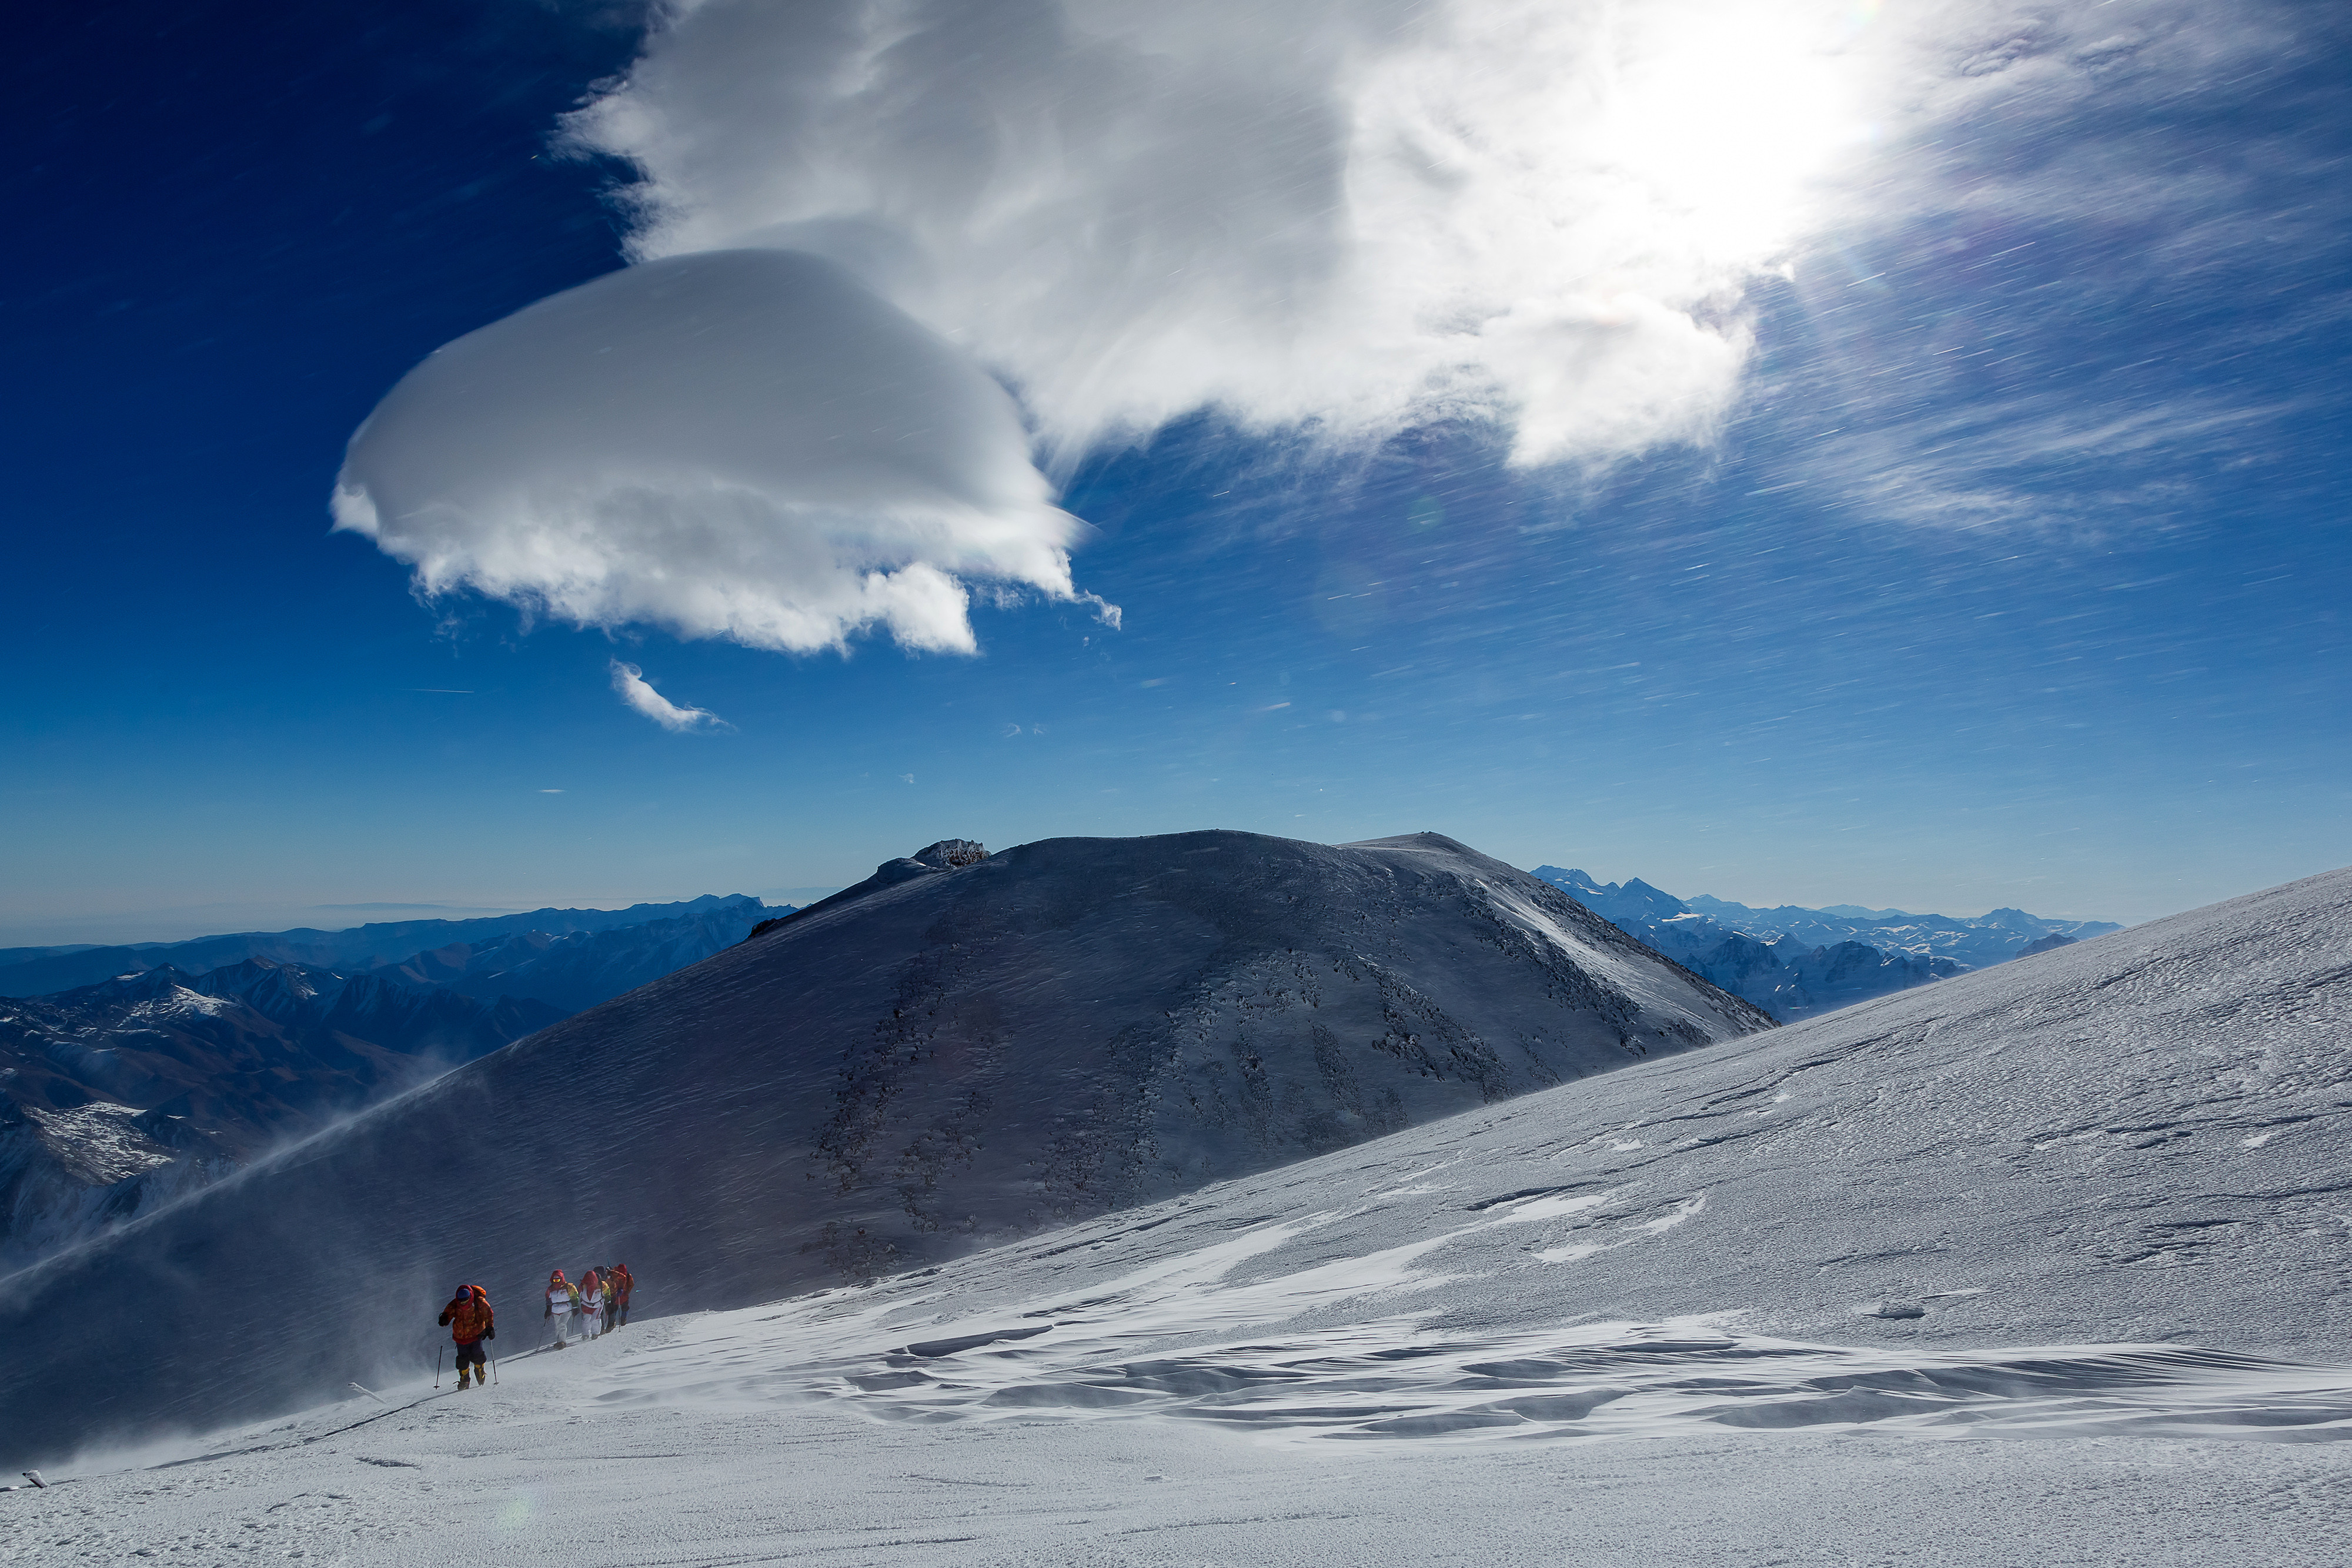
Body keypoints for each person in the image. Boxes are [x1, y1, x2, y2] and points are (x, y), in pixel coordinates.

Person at [437, 1283, 495, 1389]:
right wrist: (444, 1319)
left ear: (470, 1297)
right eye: (461, 1301)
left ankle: (479, 1371)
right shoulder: (455, 1304)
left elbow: (488, 1313)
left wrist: (490, 1328)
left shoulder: (479, 1302)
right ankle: (464, 1380)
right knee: (462, 1359)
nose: (463, 1303)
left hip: (476, 1335)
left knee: (477, 1355)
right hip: (461, 1337)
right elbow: (448, 1313)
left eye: (466, 1301)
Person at [546, 1269, 580, 1348]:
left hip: (566, 1309)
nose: (556, 1282)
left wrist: (575, 1307)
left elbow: (575, 1297)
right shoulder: (551, 1289)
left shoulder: (569, 1287)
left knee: (562, 1324)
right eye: (555, 1280)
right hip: (555, 1310)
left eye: (558, 1279)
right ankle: (559, 1341)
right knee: (557, 1326)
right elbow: (548, 1299)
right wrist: (548, 1309)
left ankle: (562, 1342)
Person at [576, 1267, 604, 1341]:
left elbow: (607, 1292)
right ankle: (585, 1334)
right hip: (586, 1305)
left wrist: (608, 1300)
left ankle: (595, 1333)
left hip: (597, 1305)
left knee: (595, 1319)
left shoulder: (601, 1285)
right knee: (586, 1320)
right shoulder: (582, 1286)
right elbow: (577, 1295)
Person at [609, 1263, 632, 1329]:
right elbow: (631, 1284)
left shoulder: (616, 1275)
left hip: (616, 1295)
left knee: (614, 1309)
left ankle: (613, 1322)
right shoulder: (628, 1276)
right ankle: (623, 1320)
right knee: (625, 1308)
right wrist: (627, 1291)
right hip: (625, 1296)